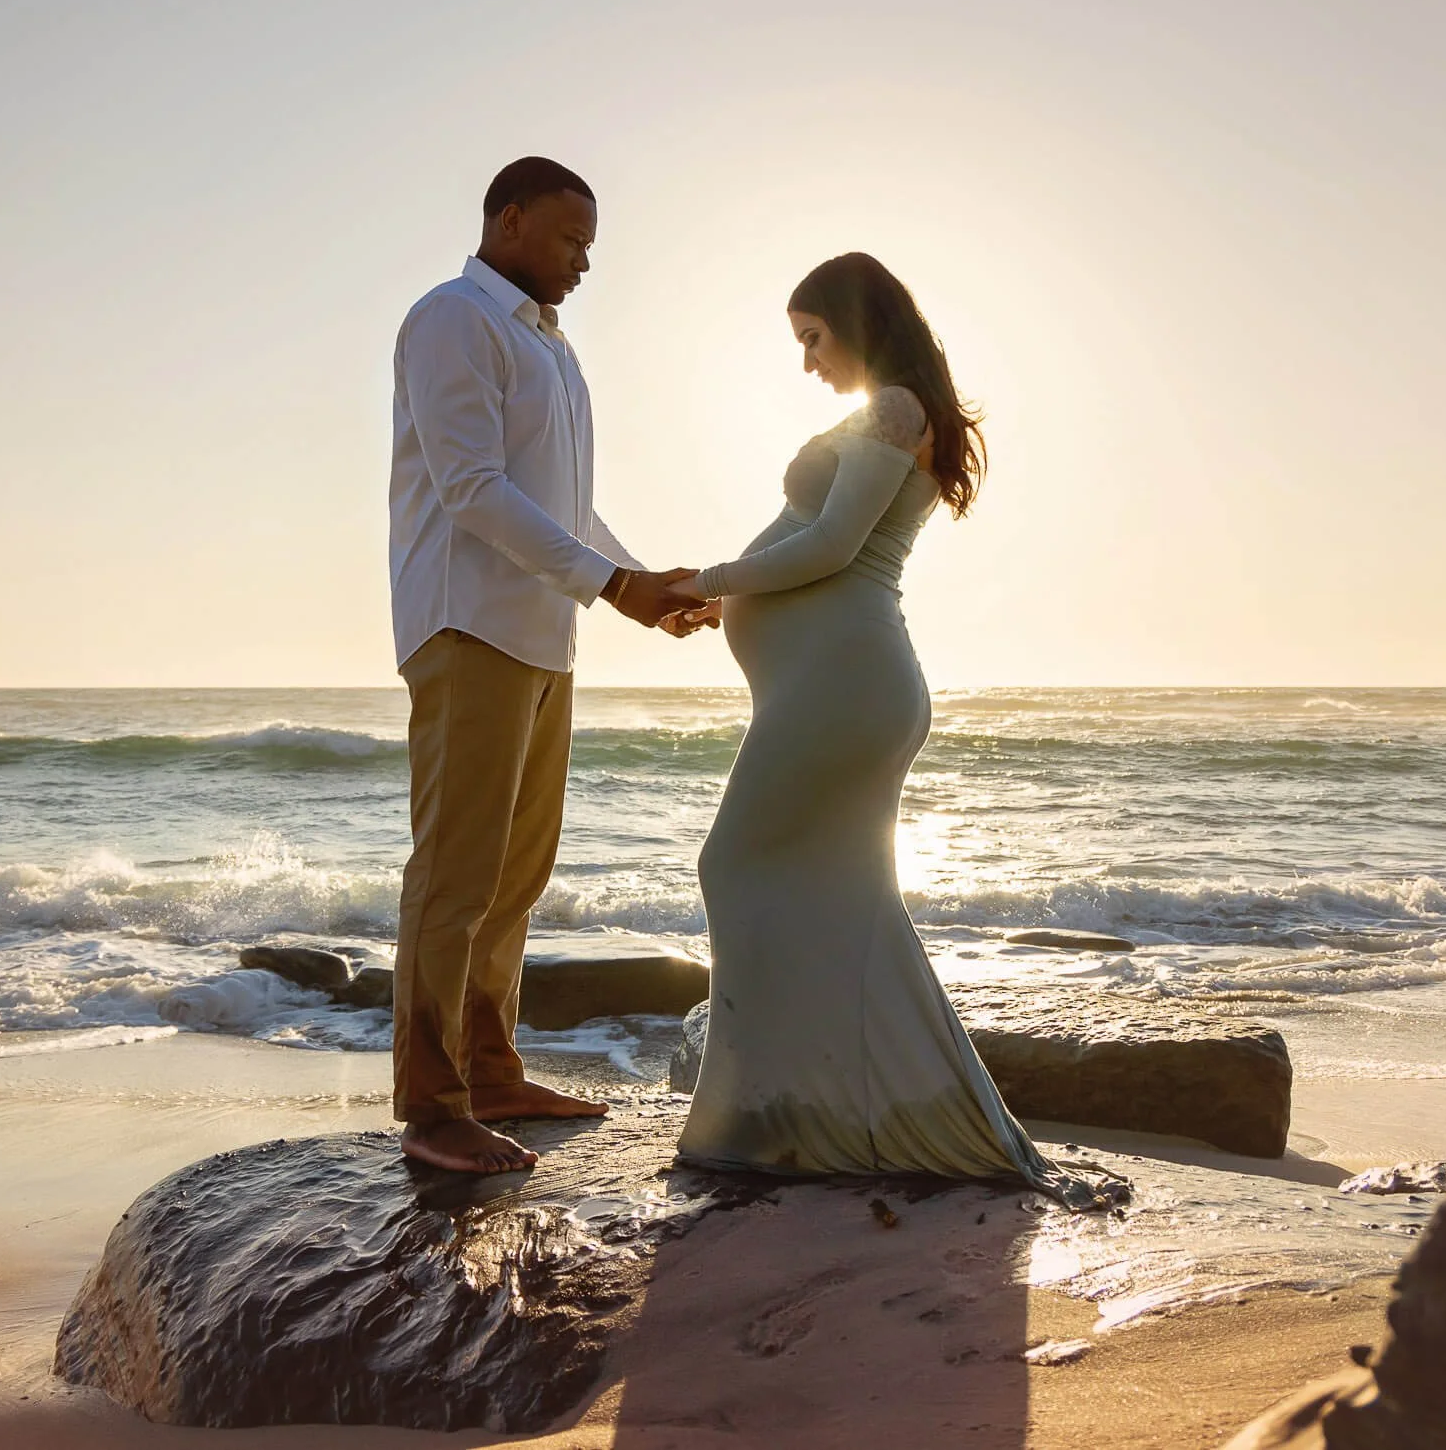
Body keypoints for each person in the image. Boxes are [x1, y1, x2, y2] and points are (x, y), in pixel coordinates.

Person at [667, 252, 1088, 1201]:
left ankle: (770, 1115)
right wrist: (723, 597)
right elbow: (812, 550)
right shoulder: (887, 414)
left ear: (857, 321)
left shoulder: (895, 409)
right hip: (831, 683)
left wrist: (710, 580)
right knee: (841, 895)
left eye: (813, 337)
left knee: (734, 864)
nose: (807, 361)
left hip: (845, 684)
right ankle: (827, 1117)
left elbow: (830, 545)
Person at [388, 157, 705, 1174]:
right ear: (509, 219)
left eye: (590, 247)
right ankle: (432, 1105)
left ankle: (490, 1070)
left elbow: (560, 508)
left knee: (517, 876)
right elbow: (474, 488)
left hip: (542, 632)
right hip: (467, 621)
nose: (581, 263)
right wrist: (612, 586)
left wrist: (633, 582)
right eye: (570, 241)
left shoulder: (552, 350)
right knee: (456, 873)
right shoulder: (452, 320)